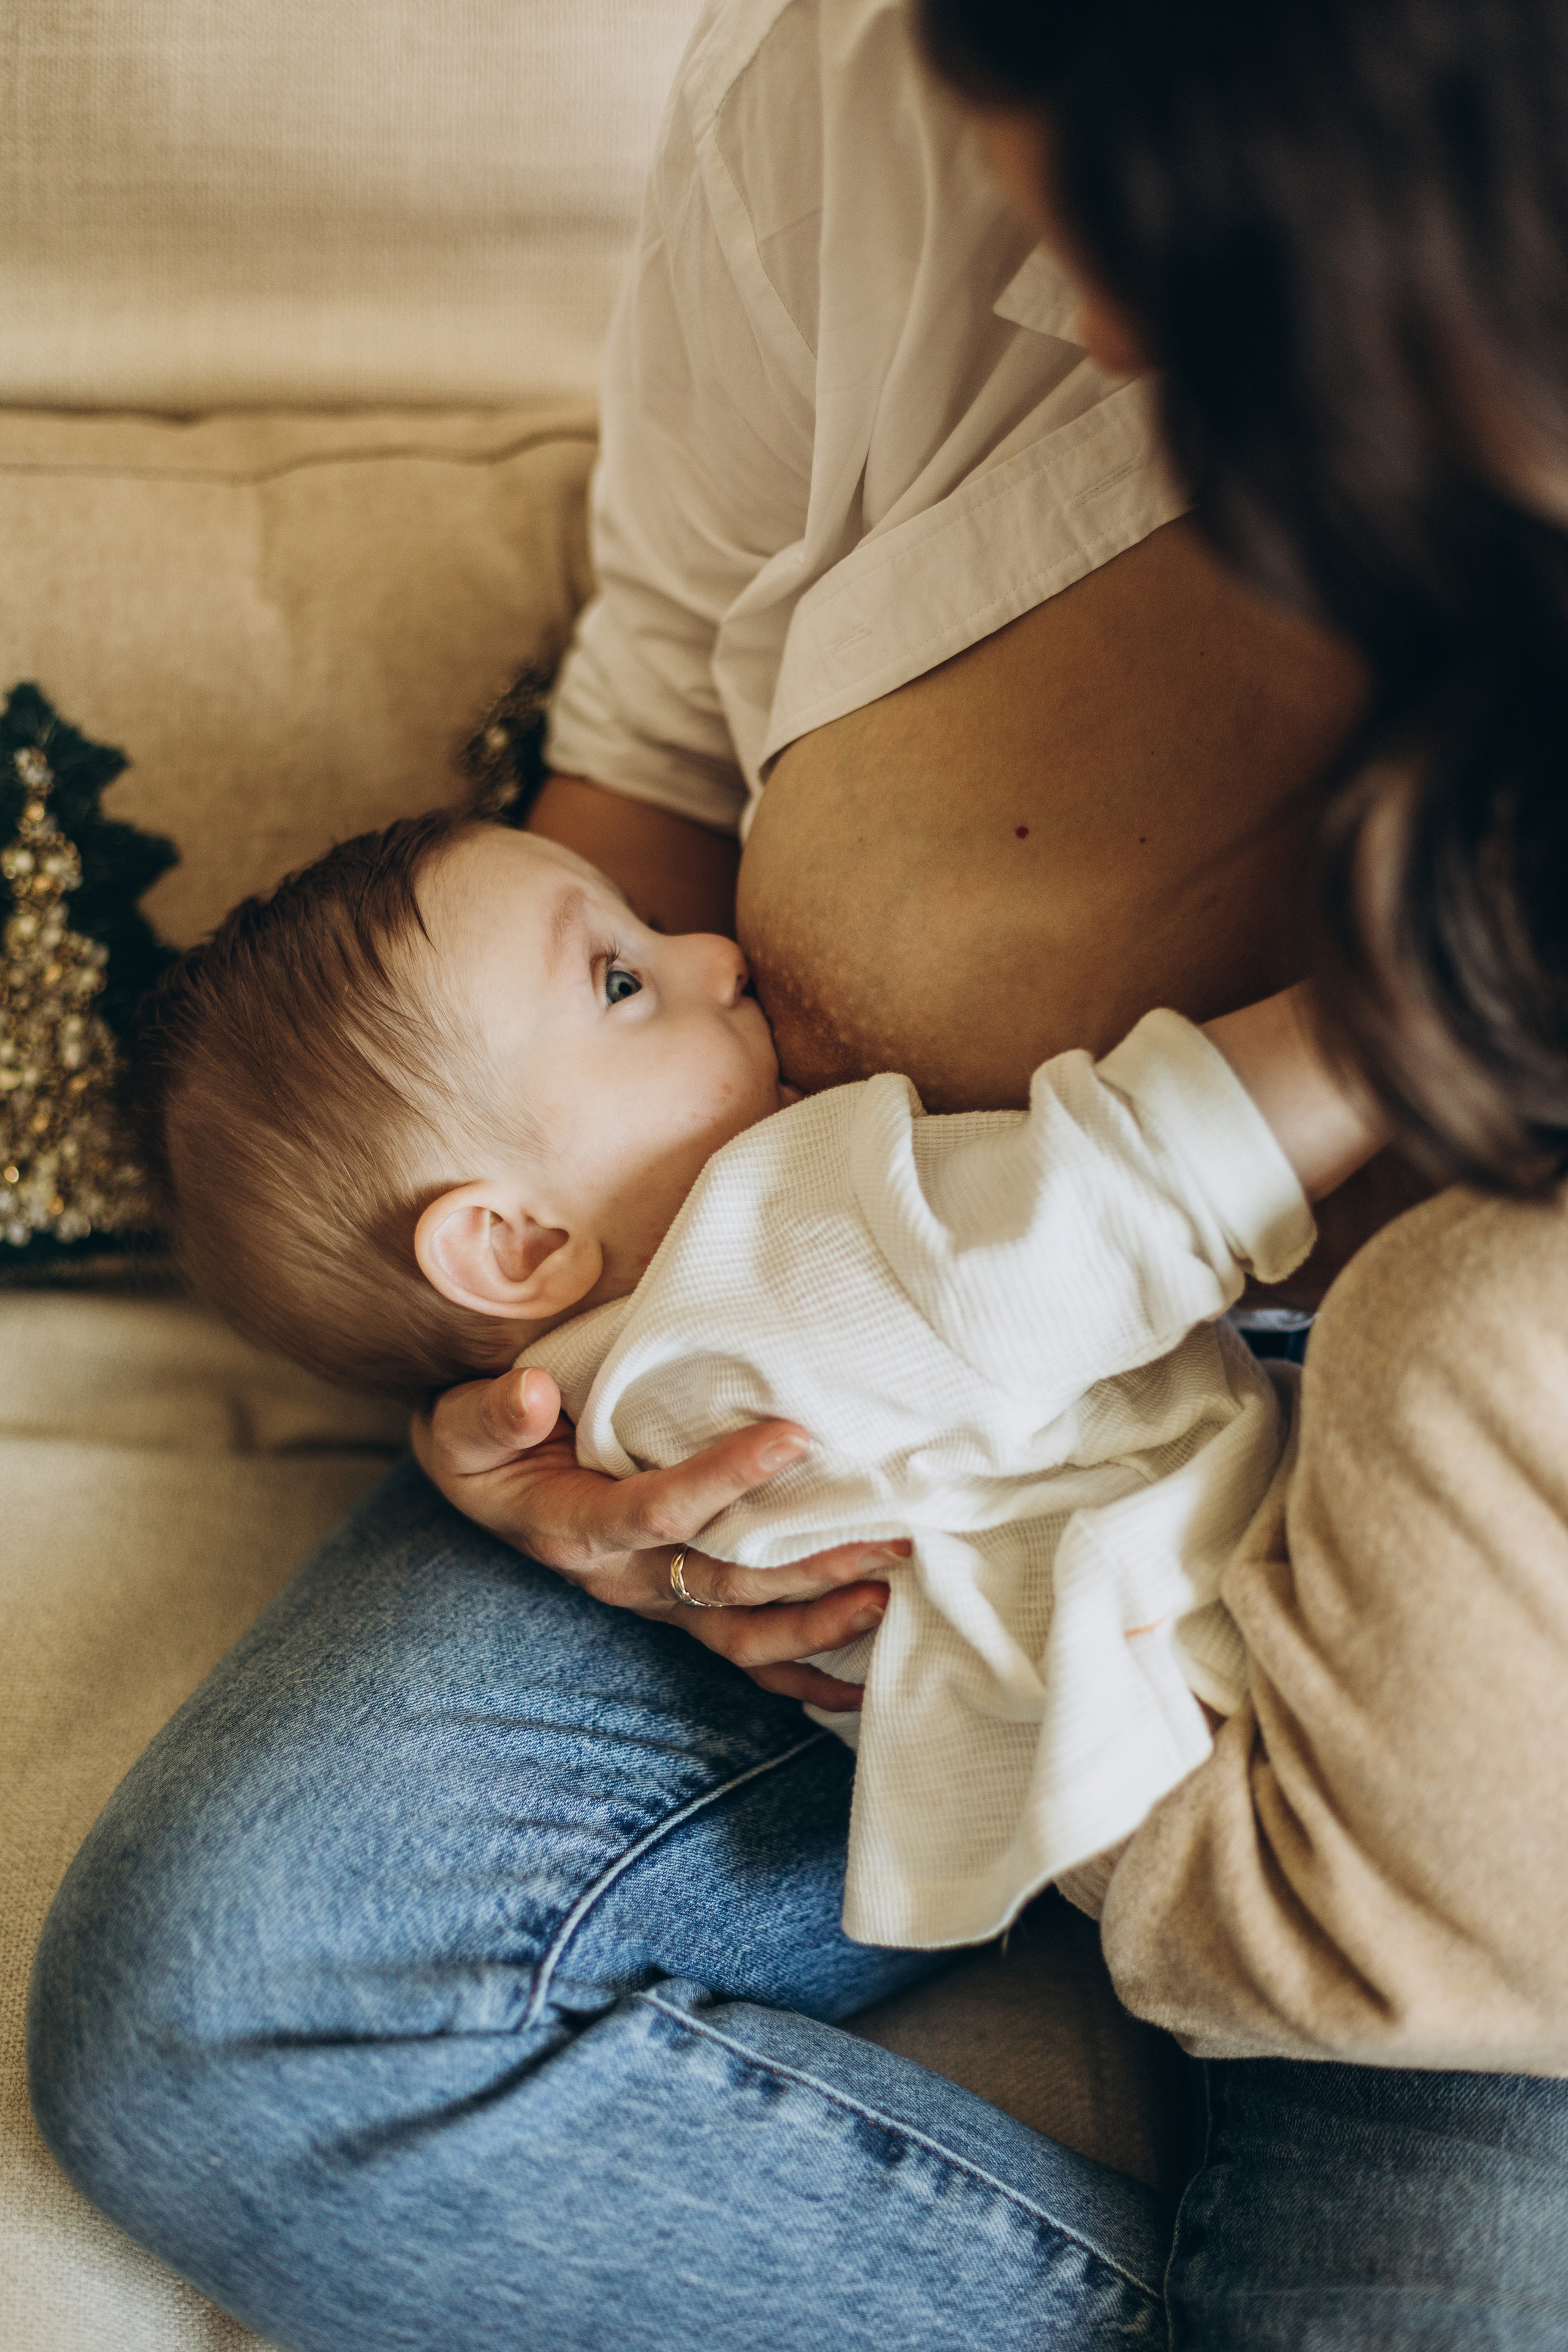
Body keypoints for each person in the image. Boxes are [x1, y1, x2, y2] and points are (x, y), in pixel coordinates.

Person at [27, 0, 1568, 2343]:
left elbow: (1167, 1185)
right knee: (246, 2003)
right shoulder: (850, 93)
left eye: (1183, 240)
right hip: (967, 1522)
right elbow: (629, 789)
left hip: (1462, 1556)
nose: (1108, 316)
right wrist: (529, 1377)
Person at [130, 804, 1376, 1950]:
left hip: (1151, 1822)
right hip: (1268, 1720)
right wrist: (1395, 1015)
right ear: (513, 1245)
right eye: (621, 979)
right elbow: (1113, 1204)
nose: (718, 954)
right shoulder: (773, 1249)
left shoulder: (617, 1389)